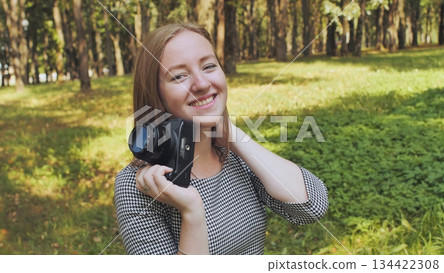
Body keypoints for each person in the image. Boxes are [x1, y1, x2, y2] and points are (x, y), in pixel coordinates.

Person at [114, 23, 328, 255]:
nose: (203, 84)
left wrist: (232, 134)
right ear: (156, 94)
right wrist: (192, 214)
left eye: (208, 66)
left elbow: (311, 208)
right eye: (179, 76)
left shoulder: (234, 157)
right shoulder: (140, 185)